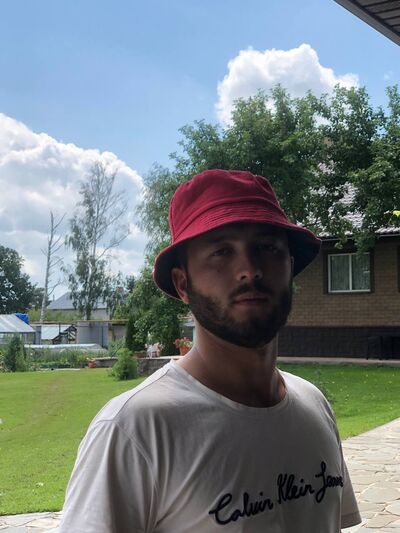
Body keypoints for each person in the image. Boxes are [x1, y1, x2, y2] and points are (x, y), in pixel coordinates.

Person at [60, 169, 361, 532]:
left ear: (290, 266)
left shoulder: (314, 405)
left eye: (267, 247)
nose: (249, 269)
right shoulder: (134, 429)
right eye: (221, 252)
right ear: (182, 284)